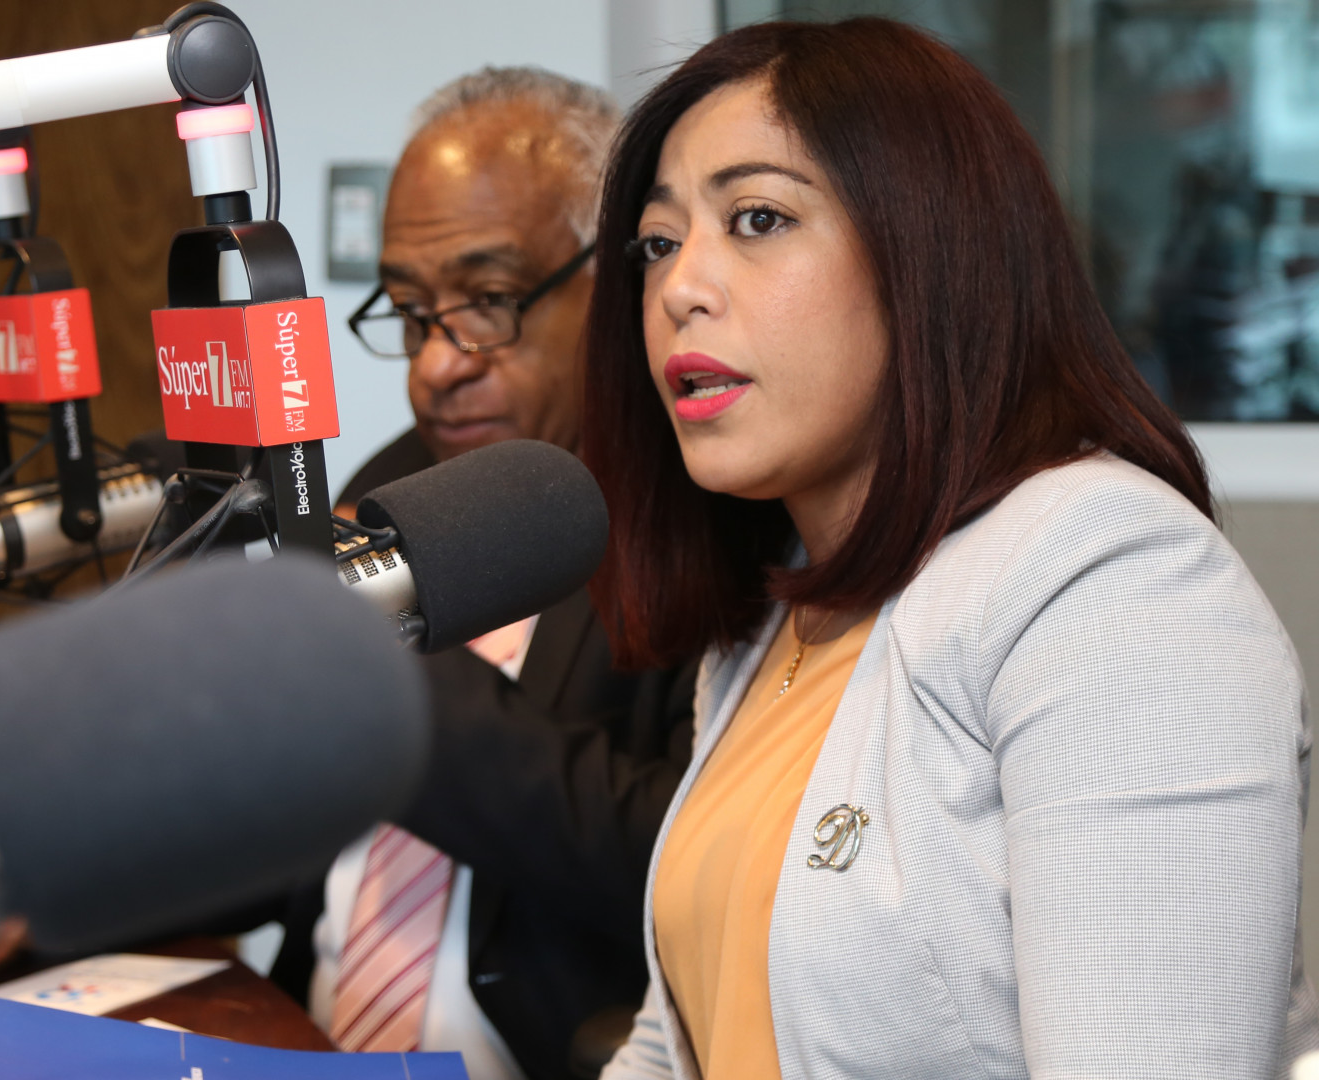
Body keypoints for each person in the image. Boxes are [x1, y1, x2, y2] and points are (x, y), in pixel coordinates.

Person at [578, 19, 1317, 1079]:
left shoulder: (1109, 583)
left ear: (929, 253)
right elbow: (678, 1038)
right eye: (658, 241)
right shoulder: (775, 620)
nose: (680, 286)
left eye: (757, 219)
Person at [263, 69, 700, 1080]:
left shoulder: (706, 525)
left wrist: (386, 680)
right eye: (411, 312)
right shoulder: (386, 487)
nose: (435, 368)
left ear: (622, 277)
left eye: (491, 302)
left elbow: (679, 863)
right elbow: (293, 845)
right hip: (304, 1037)